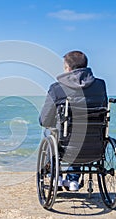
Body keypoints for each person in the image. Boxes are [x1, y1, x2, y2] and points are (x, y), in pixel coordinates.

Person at [39, 50, 107, 191]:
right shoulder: (100, 85)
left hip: (66, 144)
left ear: (68, 68)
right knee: (81, 132)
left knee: (49, 132)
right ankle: (73, 180)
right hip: (94, 144)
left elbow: (45, 120)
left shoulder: (57, 88)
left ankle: (55, 177)